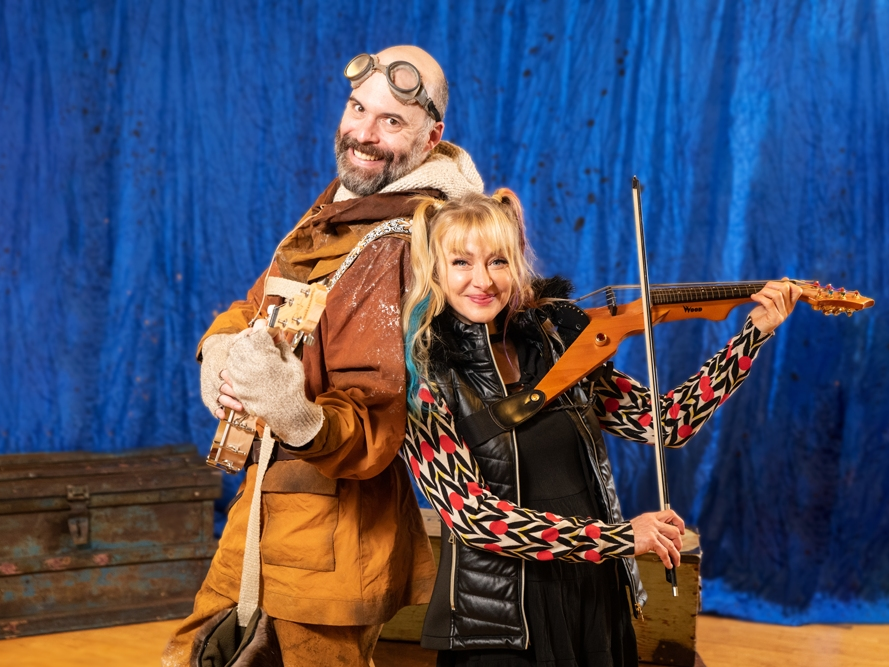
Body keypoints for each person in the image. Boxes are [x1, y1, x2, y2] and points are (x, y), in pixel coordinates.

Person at [163, 46, 484, 667]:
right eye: (358, 108)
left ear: (432, 137)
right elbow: (260, 299)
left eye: (392, 121)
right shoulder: (344, 204)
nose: (363, 134)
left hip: (333, 540)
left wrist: (294, 410)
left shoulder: (413, 240)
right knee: (197, 654)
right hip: (263, 510)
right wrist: (222, 352)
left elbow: (377, 426)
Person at [400, 190, 801, 666]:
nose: (483, 280)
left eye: (498, 261)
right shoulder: (424, 376)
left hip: (593, 596)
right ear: (436, 272)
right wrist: (621, 539)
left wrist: (752, 336)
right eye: (462, 263)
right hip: (503, 621)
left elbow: (666, 422)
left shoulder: (559, 347)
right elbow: (475, 519)